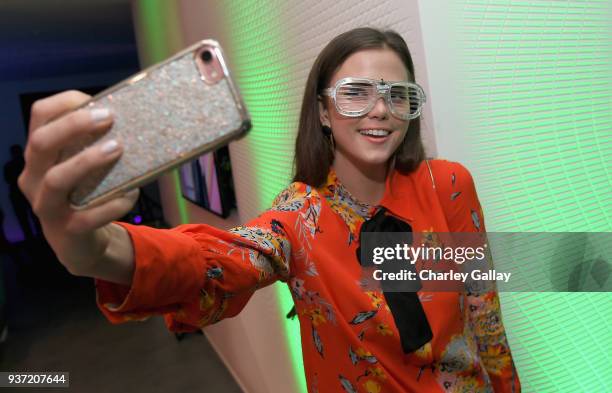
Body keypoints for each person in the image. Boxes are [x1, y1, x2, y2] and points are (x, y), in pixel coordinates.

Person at [18, 27, 520, 392]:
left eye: (397, 96)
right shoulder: (299, 216)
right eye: (356, 95)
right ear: (324, 113)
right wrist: (100, 249)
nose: (380, 111)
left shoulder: (448, 183)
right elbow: (222, 261)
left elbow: (484, 313)